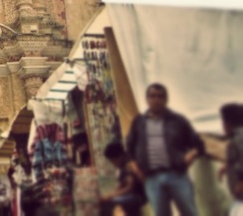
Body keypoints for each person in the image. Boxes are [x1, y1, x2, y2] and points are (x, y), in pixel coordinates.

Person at [125, 83, 205, 216]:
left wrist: (191, 156)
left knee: (189, 212)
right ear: (147, 99)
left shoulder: (178, 121)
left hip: (177, 175)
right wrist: (135, 169)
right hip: (151, 178)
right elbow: (129, 149)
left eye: (160, 96)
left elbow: (198, 144)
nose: (156, 100)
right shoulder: (139, 122)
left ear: (166, 99)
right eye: (152, 96)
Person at [100, 142, 146, 216]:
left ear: (120, 156)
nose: (113, 163)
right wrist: (111, 195)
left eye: (113, 160)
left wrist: (111, 196)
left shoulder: (129, 165)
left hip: (137, 196)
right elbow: (121, 185)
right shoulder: (121, 168)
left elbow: (129, 187)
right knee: (103, 206)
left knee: (112, 204)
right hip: (128, 195)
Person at [220, 103, 243, 215]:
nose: (222, 126)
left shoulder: (239, 137)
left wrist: (241, 180)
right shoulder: (237, 137)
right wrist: (227, 166)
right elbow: (237, 157)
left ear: (228, 123)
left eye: (222, 122)